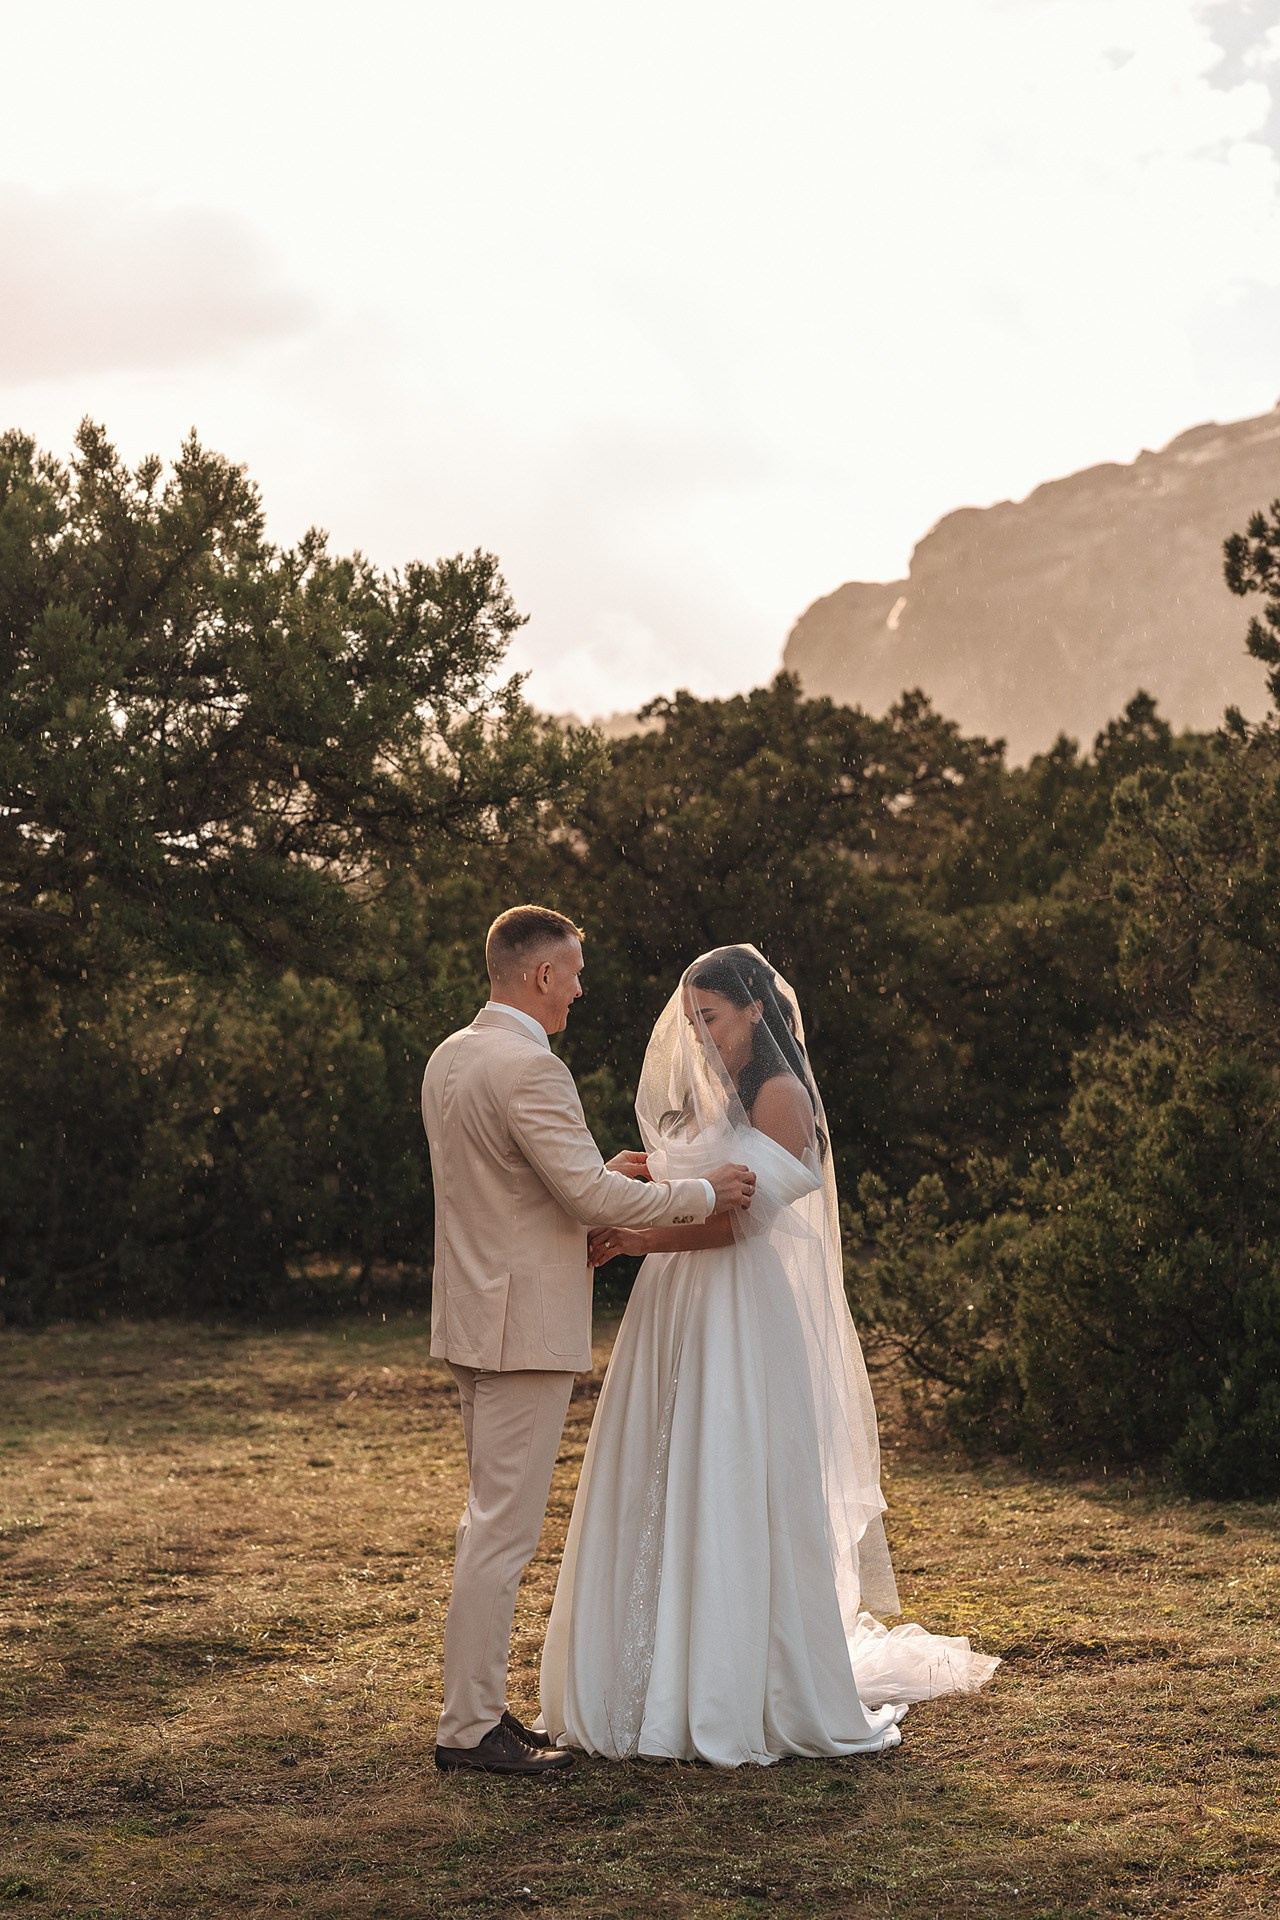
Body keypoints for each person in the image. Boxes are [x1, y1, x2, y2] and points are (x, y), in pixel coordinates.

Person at [538, 944, 998, 1766]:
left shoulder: (784, 1096)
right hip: (676, 1304)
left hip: (738, 1305)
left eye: (710, 1018)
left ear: (753, 1009)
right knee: (659, 1470)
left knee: (731, 1470)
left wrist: (639, 1233)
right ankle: (645, 1671)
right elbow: (695, 1195)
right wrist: (639, 1193)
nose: (700, 1036)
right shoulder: (703, 1096)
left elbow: (743, 1223)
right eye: (691, 1022)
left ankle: (736, 1676)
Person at [422, 907, 757, 1776]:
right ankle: (469, 1731)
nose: (579, 987)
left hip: (470, 1318)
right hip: (520, 1332)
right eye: (572, 972)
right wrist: (702, 1195)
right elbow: (588, 1204)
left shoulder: (451, 1058)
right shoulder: (531, 1067)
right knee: (500, 1534)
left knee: (487, 1527)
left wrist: (597, 1176)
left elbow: (507, 1192)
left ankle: (479, 1715)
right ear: (540, 976)